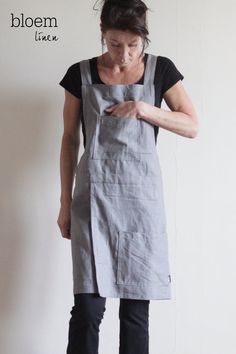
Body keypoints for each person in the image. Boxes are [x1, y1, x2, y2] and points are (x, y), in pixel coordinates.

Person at [57, 0, 199, 353]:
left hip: (140, 204)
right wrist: (64, 202)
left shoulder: (161, 71)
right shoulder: (81, 74)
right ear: (103, 35)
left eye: (133, 46)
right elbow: (70, 138)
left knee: (135, 313)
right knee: (88, 310)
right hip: (92, 202)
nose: (123, 54)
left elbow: (192, 125)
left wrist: (144, 108)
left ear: (144, 39)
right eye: (114, 44)